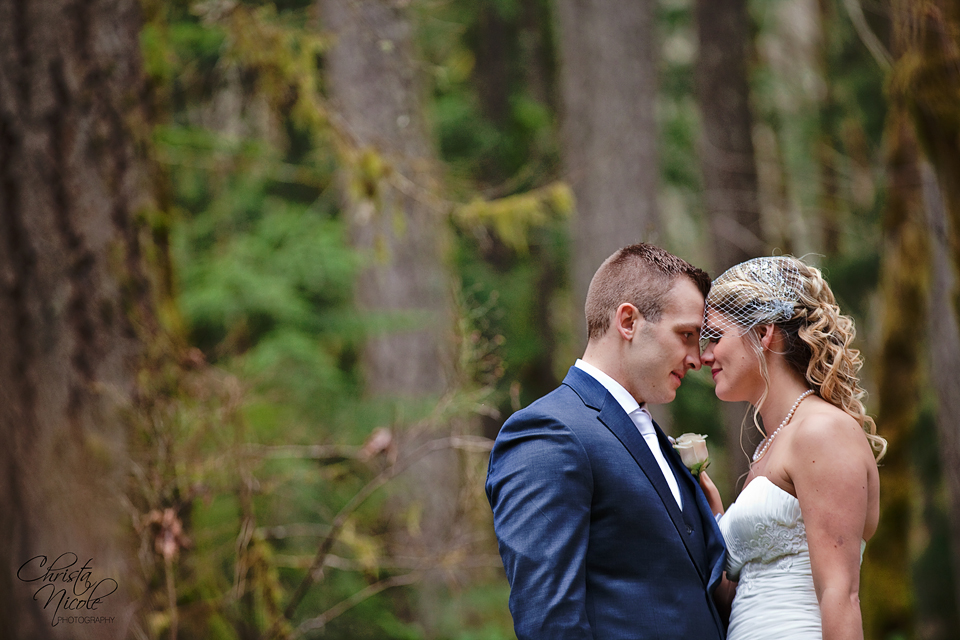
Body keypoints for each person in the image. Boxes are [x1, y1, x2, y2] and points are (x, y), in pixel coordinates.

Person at [485, 243, 728, 639]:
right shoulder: (548, 433)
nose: (696, 358)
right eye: (686, 335)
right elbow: (549, 621)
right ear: (628, 322)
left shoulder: (650, 435)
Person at [697, 256, 886, 640]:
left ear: (763, 331)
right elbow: (744, 595)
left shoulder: (823, 432)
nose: (704, 356)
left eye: (715, 337)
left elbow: (840, 594)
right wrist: (712, 514)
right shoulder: (771, 446)